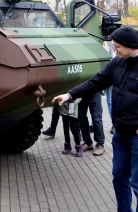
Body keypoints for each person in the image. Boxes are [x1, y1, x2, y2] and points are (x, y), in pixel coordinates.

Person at [53, 26, 138, 212]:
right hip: (121, 134)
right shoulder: (117, 63)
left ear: (130, 45)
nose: (115, 49)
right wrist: (70, 95)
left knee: (137, 184)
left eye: (117, 46)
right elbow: (96, 81)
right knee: (119, 177)